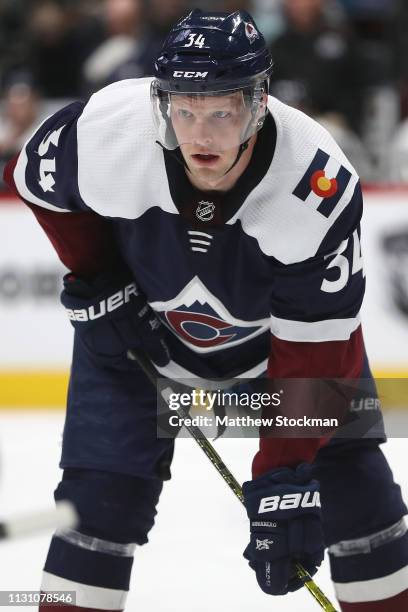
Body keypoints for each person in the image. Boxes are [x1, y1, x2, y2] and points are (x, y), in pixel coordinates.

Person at [4, 9, 408, 612]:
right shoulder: (112, 128)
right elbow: (37, 182)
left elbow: (317, 348)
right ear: (162, 102)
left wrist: (283, 471)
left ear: (258, 101)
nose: (201, 134)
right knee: (97, 502)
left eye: (222, 111)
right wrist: (97, 279)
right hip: (135, 332)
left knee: (354, 487)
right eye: (185, 109)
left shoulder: (314, 184)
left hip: (277, 352)